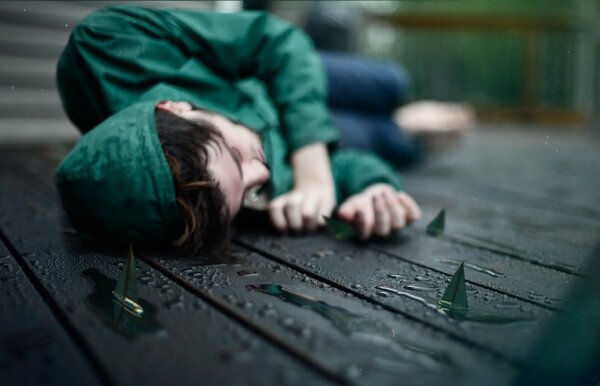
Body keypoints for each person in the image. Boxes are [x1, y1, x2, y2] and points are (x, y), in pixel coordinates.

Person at [54, 5, 457, 255]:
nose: (261, 176)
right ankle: (405, 122)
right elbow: (350, 167)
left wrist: (311, 165)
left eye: (235, 155)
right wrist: (374, 188)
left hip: (280, 72)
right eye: (247, 192)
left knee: (390, 81)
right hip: (317, 133)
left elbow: (273, 41)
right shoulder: (204, 203)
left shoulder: (109, 46)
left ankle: (401, 110)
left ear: (174, 106)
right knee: (395, 143)